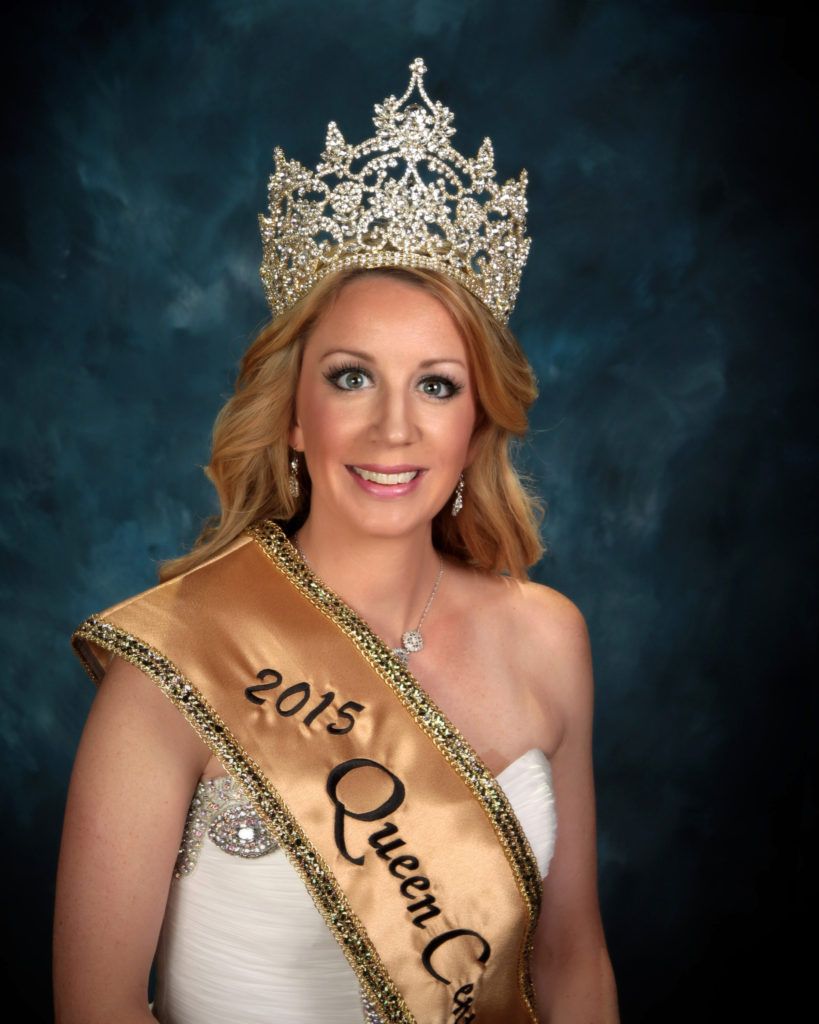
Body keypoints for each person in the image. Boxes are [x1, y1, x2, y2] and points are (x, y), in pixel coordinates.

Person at [53, 58, 619, 1024]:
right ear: (292, 415)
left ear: (476, 421)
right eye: (352, 378)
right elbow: (97, 1008)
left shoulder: (547, 638)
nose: (393, 428)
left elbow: (573, 966)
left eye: (436, 385)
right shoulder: (172, 666)